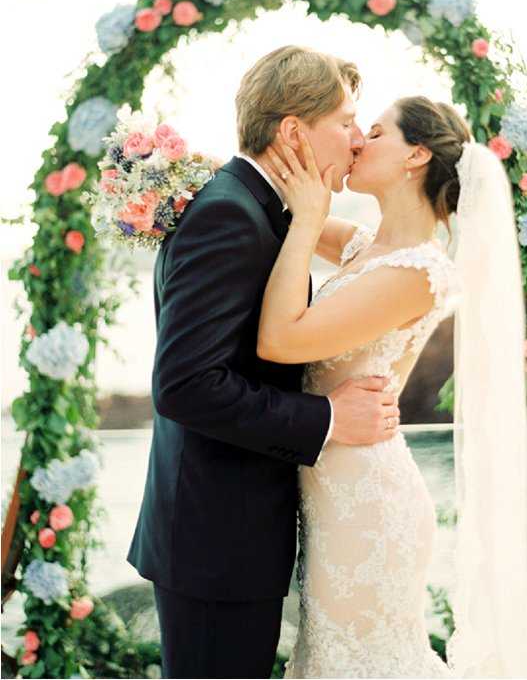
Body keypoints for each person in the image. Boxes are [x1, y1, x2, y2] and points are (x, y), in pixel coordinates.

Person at [258, 95, 527, 678]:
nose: (358, 142)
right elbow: (283, 203)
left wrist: (304, 219)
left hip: (368, 506)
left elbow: (279, 340)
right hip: (332, 492)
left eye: (373, 133)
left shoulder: (416, 274)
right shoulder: (368, 249)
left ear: (416, 155)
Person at [126, 45, 400, 680]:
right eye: (346, 122)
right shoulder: (230, 215)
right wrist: (326, 419)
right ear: (294, 131)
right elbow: (186, 385)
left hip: (228, 536)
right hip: (214, 543)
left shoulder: (258, 208)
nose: (357, 140)